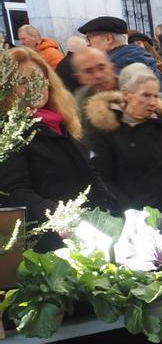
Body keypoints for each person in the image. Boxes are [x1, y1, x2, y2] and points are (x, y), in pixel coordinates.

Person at [0, 47, 115, 238]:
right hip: (52, 238)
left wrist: (112, 207)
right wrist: (56, 216)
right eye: (22, 81)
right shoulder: (10, 132)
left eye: (38, 79)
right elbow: (14, 190)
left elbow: (89, 171)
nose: (34, 87)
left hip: (89, 230)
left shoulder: (59, 121)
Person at [86, 64, 162, 213]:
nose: (152, 102)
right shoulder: (106, 128)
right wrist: (130, 213)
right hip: (134, 218)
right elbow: (102, 178)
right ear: (126, 94)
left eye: (156, 96)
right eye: (145, 95)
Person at [78, 16, 162, 82]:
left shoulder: (115, 68)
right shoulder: (142, 57)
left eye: (89, 39)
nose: (87, 44)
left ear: (109, 39)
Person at [71, 47, 118, 142]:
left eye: (101, 68)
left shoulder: (135, 91)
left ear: (112, 68)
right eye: (89, 71)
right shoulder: (78, 107)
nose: (98, 76)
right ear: (79, 78)